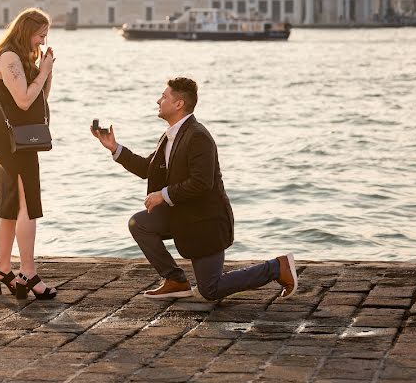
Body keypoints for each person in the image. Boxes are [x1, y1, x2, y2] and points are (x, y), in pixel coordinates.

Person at [90, 77, 298, 301]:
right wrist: (114, 148)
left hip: (205, 223)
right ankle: (175, 280)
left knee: (210, 290)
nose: (158, 100)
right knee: (139, 223)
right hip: (182, 215)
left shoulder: (198, 136)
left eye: (164, 96)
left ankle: (277, 267)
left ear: (178, 104)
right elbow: (148, 169)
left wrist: (164, 195)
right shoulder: (171, 135)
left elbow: (201, 183)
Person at [0, 8, 57, 300]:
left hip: (15, 138)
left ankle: (2, 269)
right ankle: (28, 271)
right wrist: (44, 71)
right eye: (40, 36)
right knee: (27, 204)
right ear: (27, 31)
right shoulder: (9, 58)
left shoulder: (21, 57)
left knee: (11, 204)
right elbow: (25, 101)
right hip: (11, 140)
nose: (41, 42)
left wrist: (45, 70)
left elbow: (40, 98)